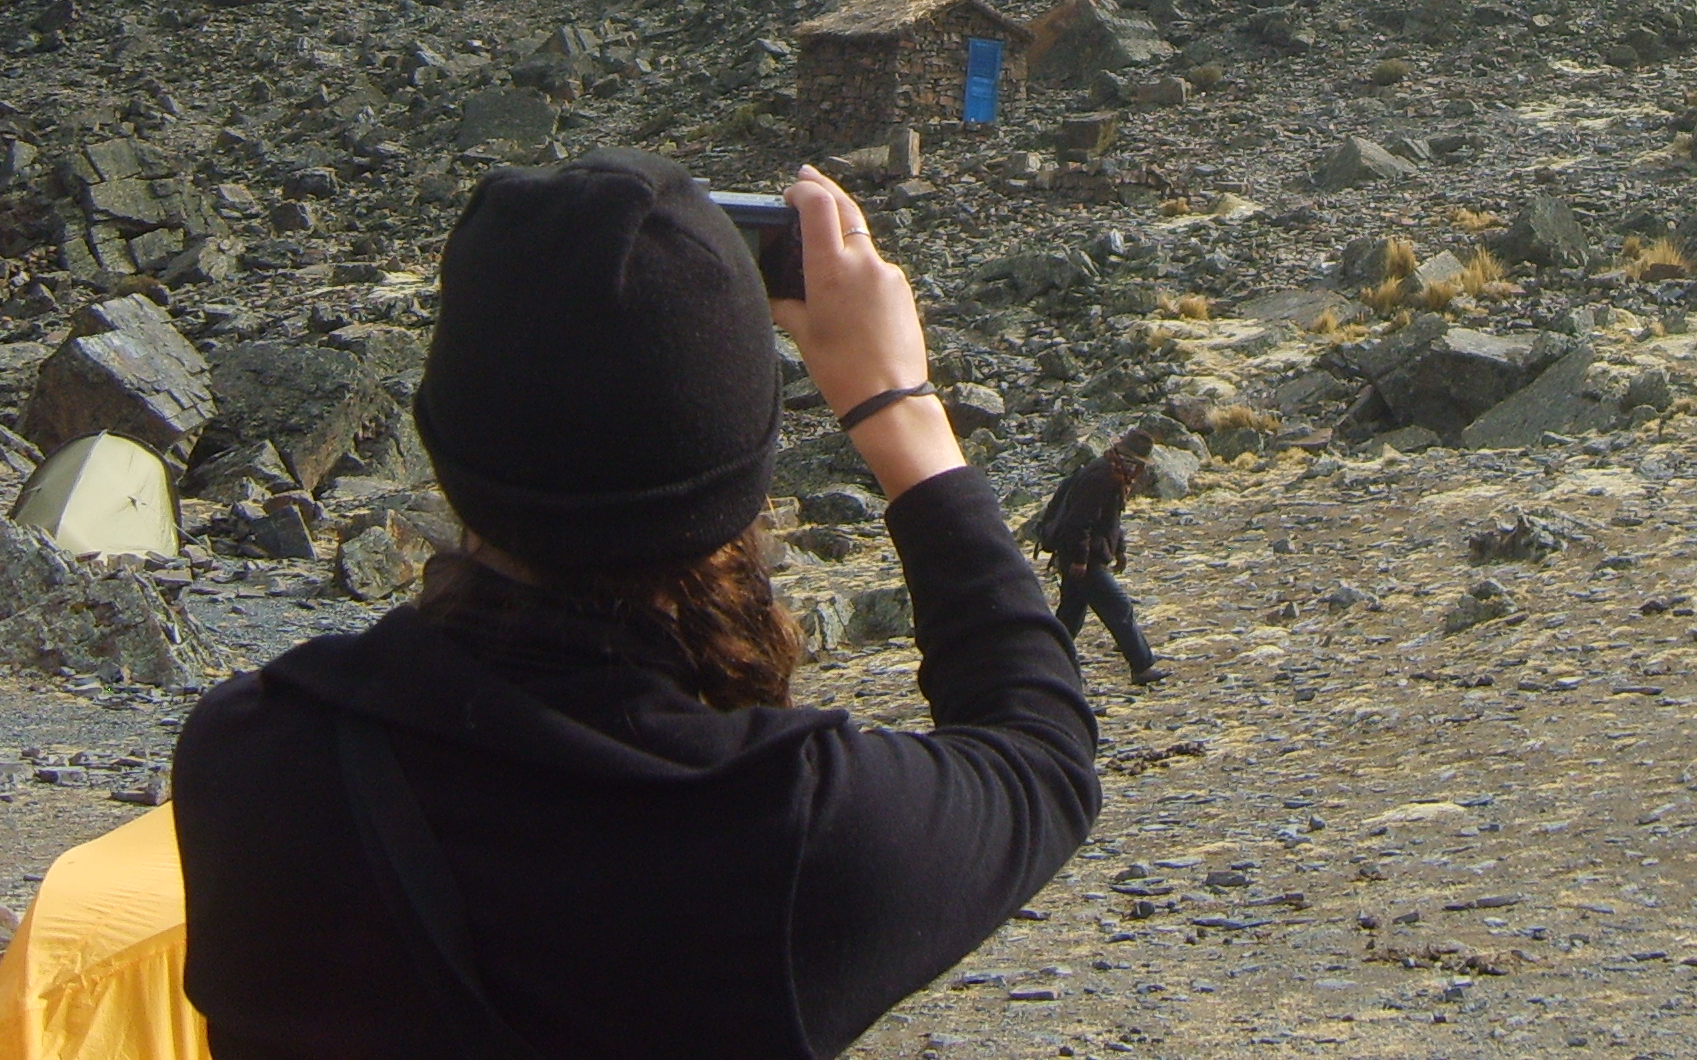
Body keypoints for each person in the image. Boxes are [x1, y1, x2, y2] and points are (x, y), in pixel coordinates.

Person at [172, 151, 1098, 1059]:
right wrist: (901, 409)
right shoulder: (795, 831)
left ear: (444, 443)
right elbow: (1040, 753)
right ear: (740, 470)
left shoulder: (250, 755)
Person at [1036, 428, 1161, 687]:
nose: (1138, 470)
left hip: (1081, 557)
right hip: (1086, 561)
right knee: (1119, 607)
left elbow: (1109, 521)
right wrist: (1080, 560)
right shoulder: (1101, 477)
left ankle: (1044, 666)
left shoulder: (1111, 474)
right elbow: (1079, 523)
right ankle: (1142, 666)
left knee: (1069, 618)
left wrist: (1119, 549)